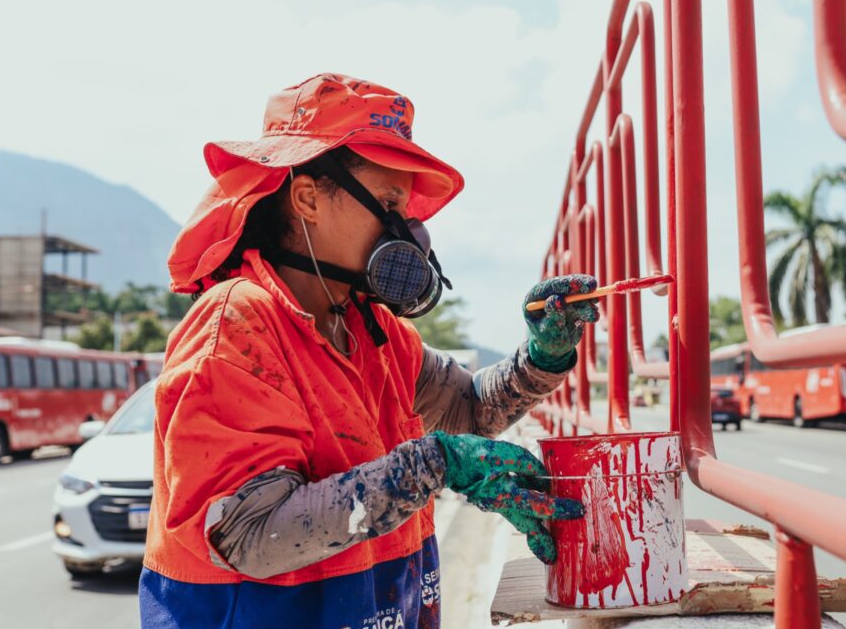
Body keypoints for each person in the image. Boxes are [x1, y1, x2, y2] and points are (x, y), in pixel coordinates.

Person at [140, 73, 600, 629]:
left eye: (405, 211)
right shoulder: (238, 326)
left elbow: (469, 410)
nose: (406, 232)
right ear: (308, 197)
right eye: (388, 203)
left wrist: (542, 356)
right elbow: (251, 534)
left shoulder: (371, 328)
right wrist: (433, 465)